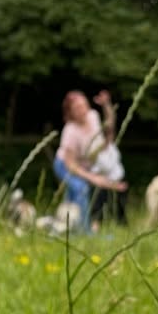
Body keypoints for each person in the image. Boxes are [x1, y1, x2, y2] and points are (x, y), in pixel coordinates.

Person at [54, 90, 127, 231]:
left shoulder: (93, 116)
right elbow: (71, 164)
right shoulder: (70, 131)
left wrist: (106, 106)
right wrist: (94, 178)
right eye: (77, 108)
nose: (83, 110)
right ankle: (85, 231)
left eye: (84, 105)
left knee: (71, 199)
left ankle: (63, 228)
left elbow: (109, 128)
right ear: (70, 112)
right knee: (81, 189)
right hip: (65, 165)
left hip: (85, 166)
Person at [88, 89, 128, 225]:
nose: (109, 134)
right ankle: (95, 227)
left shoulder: (111, 144)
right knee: (98, 206)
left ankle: (121, 226)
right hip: (104, 186)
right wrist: (116, 186)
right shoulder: (93, 151)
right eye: (106, 133)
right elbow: (98, 177)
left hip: (119, 181)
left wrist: (106, 104)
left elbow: (111, 121)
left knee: (120, 213)